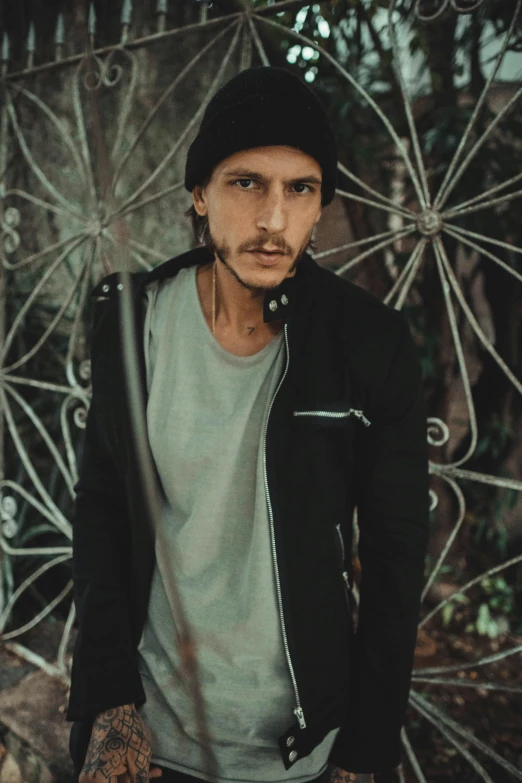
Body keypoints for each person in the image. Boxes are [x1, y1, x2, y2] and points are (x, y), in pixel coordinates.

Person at [66, 66, 430, 783]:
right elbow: (103, 508)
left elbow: (395, 561)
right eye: (247, 183)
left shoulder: (370, 346)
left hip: (294, 750)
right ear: (199, 194)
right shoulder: (134, 322)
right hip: (149, 738)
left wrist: (364, 751)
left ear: (321, 203)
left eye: (301, 189)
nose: (274, 219)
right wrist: (109, 700)